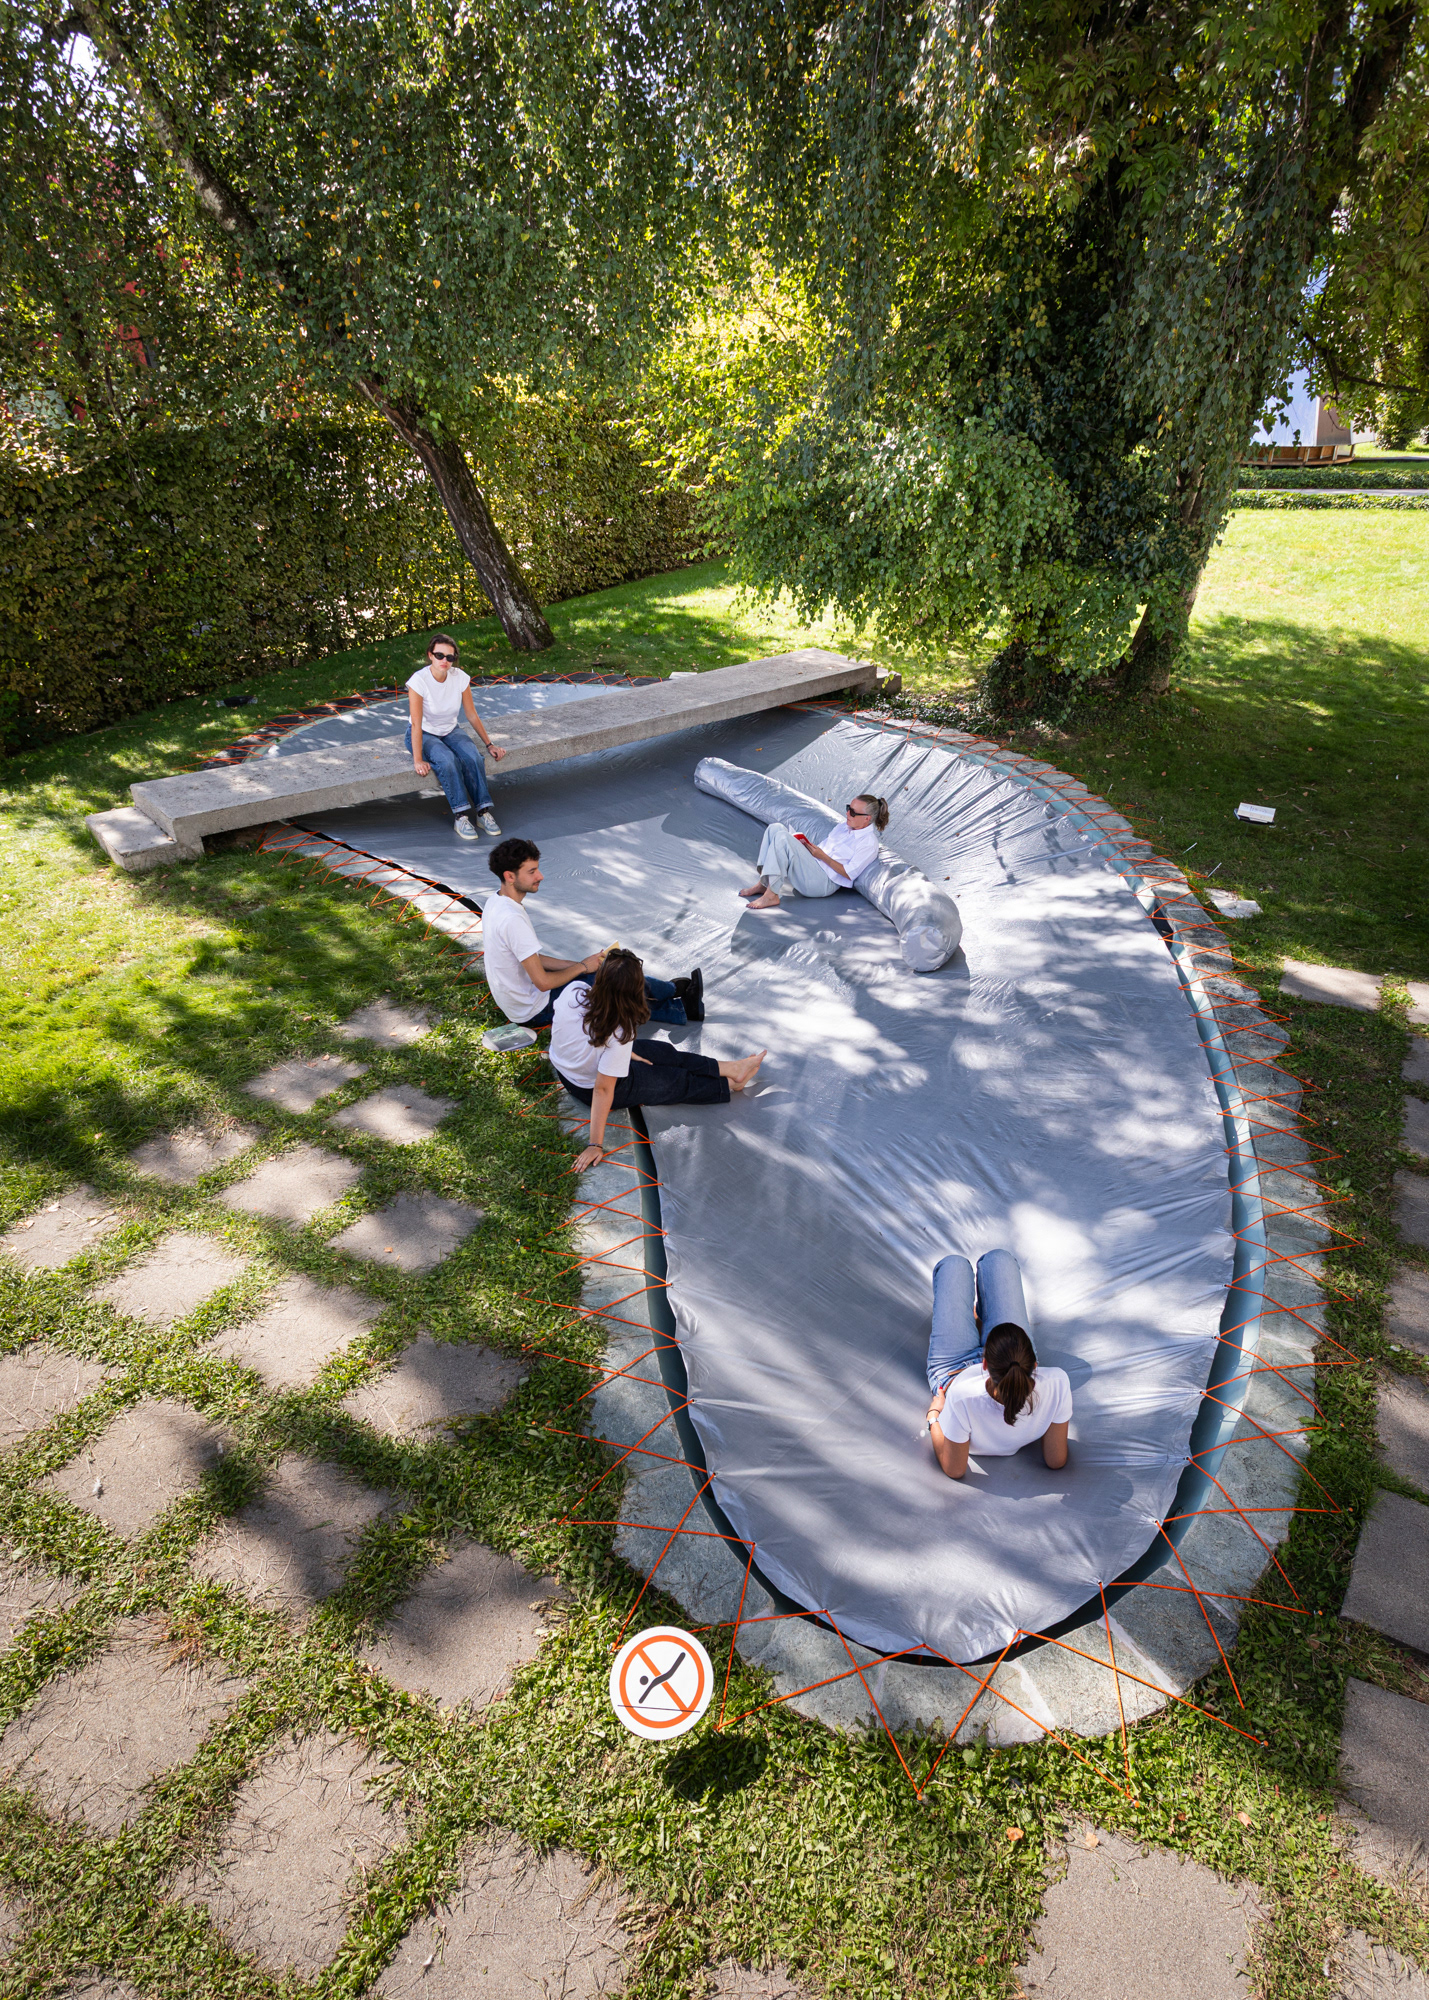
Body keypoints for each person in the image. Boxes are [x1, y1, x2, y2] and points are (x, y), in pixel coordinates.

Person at [551, 949, 766, 1172]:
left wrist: (622, 1055)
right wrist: (594, 1144)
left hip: (571, 1071)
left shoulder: (575, 991)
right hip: (587, 1087)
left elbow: (574, 1037)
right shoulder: (619, 1031)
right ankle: (729, 1084)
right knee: (675, 1081)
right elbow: (603, 1089)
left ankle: (731, 1068)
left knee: (663, 1052)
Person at [482, 837, 705, 1030]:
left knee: (602, 972)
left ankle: (676, 997)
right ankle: (677, 996)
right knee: (611, 982)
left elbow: (531, 959)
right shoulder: (512, 919)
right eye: (531, 872)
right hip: (534, 1009)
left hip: (520, 1003)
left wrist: (579, 965)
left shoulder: (496, 901)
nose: (540, 876)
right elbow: (542, 982)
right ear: (510, 876)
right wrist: (582, 967)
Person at [922, 1249, 1071, 1481]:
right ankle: (979, 1322)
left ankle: (978, 1323)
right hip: (1010, 1359)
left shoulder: (962, 1398)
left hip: (953, 1370)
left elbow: (954, 1469)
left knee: (954, 1265)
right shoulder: (1058, 1382)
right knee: (998, 1259)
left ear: (984, 1364)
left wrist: (934, 1415)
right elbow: (1056, 1460)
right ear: (1034, 1364)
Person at [407, 634, 506, 842]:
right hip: (424, 732)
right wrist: (418, 759)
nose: (444, 660)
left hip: (450, 730)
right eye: (439, 655)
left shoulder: (459, 677)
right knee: (447, 760)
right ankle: (461, 816)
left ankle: (483, 812)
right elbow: (416, 724)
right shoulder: (419, 680)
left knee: (473, 757)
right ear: (430, 655)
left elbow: (471, 714)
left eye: (450, 657)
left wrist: (489, 744)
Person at [740, 794, 889, 910]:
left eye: (853, 812)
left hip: (823, 883)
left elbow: (849, 873)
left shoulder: (868, 843)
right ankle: (764, 883)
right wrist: (807, 847)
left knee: (782, 838)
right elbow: (823, 851)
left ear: (867, 819)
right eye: (848, 808)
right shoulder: (843, 827)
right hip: (813, 867)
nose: (847, 814)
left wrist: (822, 856)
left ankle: (771, 895)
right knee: (775, 828)